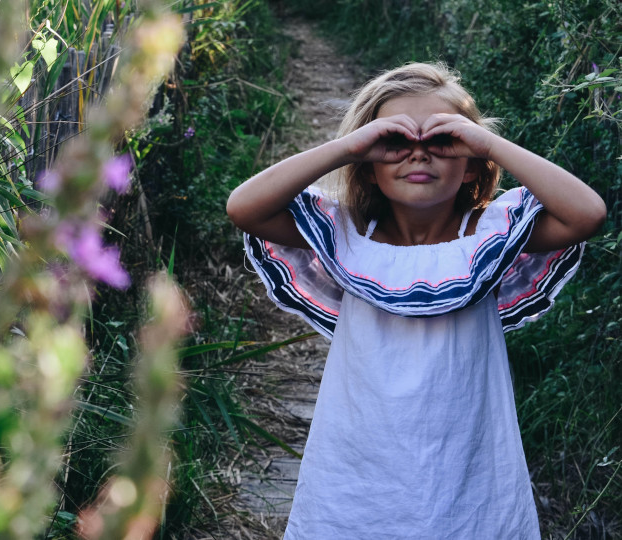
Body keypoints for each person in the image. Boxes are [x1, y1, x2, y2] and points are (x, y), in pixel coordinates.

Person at [226, 62, 606, 539]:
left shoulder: (491, 235)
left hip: (470, 465)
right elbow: (243, 207)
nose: (419, 155)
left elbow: (587, 213)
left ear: (470, 167)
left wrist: (487, 143)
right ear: (368, 168)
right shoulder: (346, 235)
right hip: (358, 464)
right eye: (397, 144)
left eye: (443, 143)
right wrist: (349, 146)